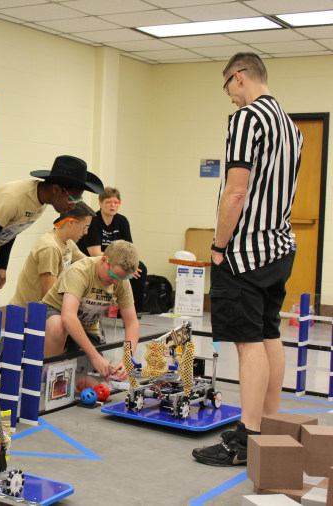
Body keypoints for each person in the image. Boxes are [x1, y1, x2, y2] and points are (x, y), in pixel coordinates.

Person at [192, 53, 302, 467]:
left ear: (238, 78)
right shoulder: (291, 128)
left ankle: (248, 436)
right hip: (280, 247)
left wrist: (218, 247)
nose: (231, 100)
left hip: (245, 251)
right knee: (269, 333)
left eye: (228, 91)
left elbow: (236, 192)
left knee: (247, 341)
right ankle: (269, 422)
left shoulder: (245, 120)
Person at [0, 155, 103, 365]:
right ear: (57, 189)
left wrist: (2, 266)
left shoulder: (41, 203)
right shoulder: (15, 197)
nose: (73, 205)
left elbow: (11, 230)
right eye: (74, 198)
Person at [42, 240, 140, 380]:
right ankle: (50, 374)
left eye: (122, 278)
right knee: (58, 326)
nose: (116, 282)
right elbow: (68, 317)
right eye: (114, 276)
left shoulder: (121, 280)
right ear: (104, 261)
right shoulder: (80, 271)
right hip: (56, 316)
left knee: (96, 386)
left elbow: (132, 323)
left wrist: (128, 359)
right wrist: (94, 356)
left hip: (86, 326)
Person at [9, 201, 95, 307]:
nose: (86, 232)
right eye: (84, 227)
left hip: (41, 311)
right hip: (26, 315)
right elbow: (50, 295)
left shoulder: (67, 242)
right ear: (71, 223)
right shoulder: (50, 247)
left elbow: (88, 263)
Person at [79, 187, 147, 311]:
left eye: (116, 202)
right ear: (100, 204)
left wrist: (133, 265)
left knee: (139, 269)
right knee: (118, 268)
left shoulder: (122, 221)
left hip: (116, 259)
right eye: (108, 202)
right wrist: (118, 262)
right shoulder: (94, 221)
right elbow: (95, 253)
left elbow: (129, 249)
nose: (112, 206)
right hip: (97, 259)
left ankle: (132, 309)